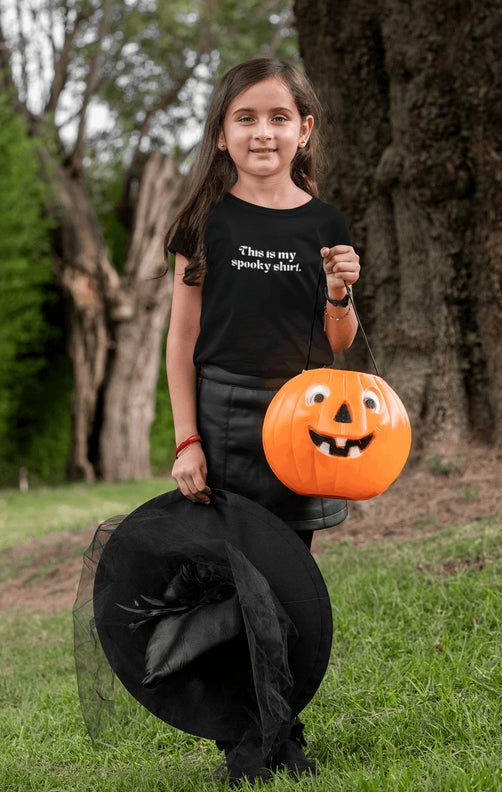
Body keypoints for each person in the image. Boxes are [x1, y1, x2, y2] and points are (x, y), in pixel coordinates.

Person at [163, 57, 360, 783]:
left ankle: (281, 730)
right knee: (232, 587)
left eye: (279, 117)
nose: (263, 131)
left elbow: (337, 341)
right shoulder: (203, 223)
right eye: (245, 117)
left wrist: (340, 291)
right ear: (220, 134)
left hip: (303, 425)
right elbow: (181, 343)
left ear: (304, 130)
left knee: (286, 586)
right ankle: (245, 740)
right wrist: (187, 441)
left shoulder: (325, 224)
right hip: (222, 419)